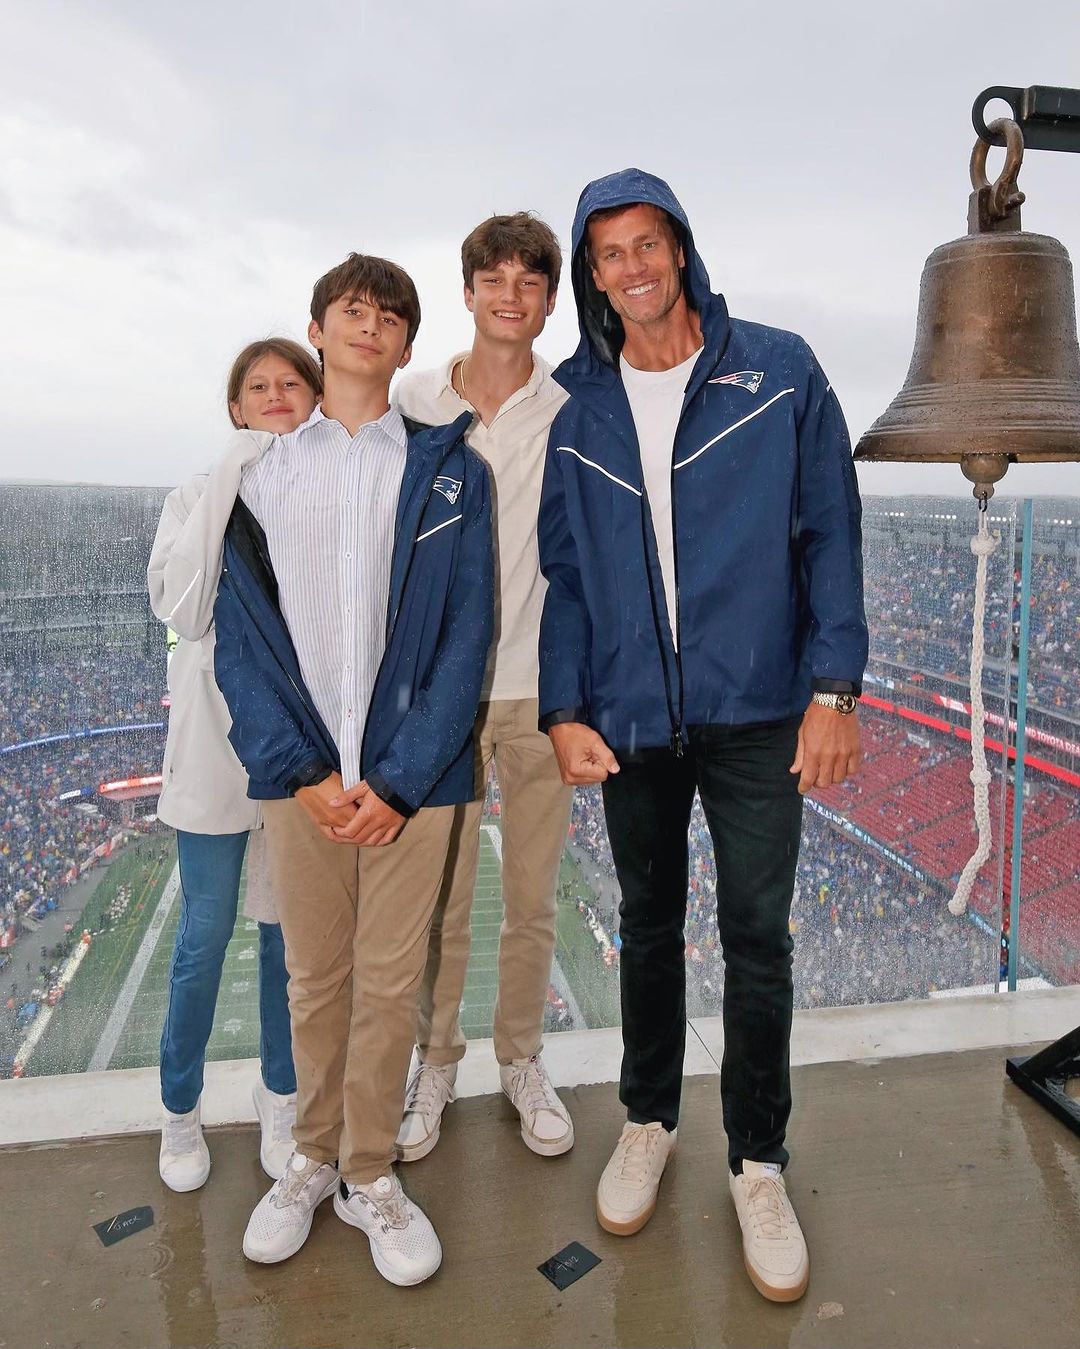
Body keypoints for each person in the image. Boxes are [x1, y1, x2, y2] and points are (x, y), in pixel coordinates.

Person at [537, 169, 867, 1303]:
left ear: (680, 251)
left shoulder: (777, 369)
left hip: (761, 705)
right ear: (593, 273)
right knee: (645, 924)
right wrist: (564, 706)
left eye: (647, 244)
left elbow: (831, 528)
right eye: (608, 253)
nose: (630, 267)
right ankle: (647, 1116)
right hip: (631, 713)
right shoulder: (578, 403)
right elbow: (568, 574)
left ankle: (759, 1159)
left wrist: (838, 688)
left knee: (758, 937)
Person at [213, 253, 493, 1287]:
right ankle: (312, 1156)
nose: (368, 325)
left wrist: (404, 777)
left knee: (387, 982)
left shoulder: (452, 467)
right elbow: (239, 636)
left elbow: (469, 634)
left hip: (409, 782)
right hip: (305, 779)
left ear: (408, 344)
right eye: (350, 309)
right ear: (318, 330)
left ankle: (370, 1169)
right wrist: (299, 771)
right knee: (314, 976)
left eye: (389, 315)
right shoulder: (258, 474)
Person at [393, 212, 574, 1161]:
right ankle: (435, 1061)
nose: (510, 295)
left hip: (542, 690)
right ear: (467, 291)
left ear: (549, 299)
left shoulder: (571, 401)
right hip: (443, 694)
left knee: (534, 895)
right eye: (494, 278)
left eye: (529, 281)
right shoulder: (413, 398)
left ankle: (520, 1058)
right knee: (441, 901)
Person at [148, 338, 322, 1192]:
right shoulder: (192, 495)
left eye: (292, 381)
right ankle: (179, 1111)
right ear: (234, 406)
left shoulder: (325, 494)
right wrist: (230, 475)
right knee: (203, 941)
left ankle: (279, 1096)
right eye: (257, 385)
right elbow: (181, 602)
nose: (276, 394)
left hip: (295, 754)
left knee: (288, 943)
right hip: (214, 759)